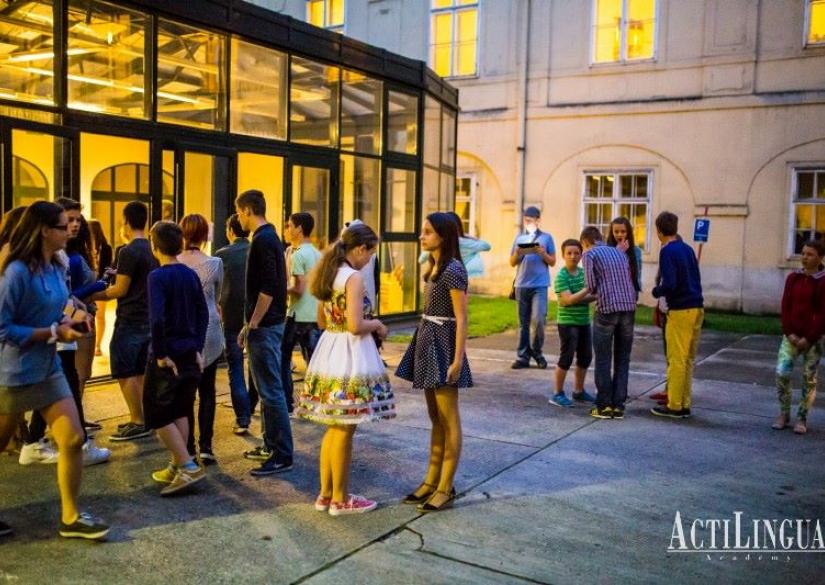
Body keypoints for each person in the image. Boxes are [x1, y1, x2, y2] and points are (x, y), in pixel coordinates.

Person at [0, 201, 109, 540]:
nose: (73, 229)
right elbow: (3, 328)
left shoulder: (56, 264)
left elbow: (58, 306)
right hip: (12, 374)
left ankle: (71, 516)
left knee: (73, 439)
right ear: (45, 231)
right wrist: (52, 332)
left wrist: (72, 319)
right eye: (64, 225)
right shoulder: (16, 271)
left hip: (48, 368)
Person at [296, 222, 393, 515]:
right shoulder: (353, 277)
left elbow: (322, 321)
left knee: (334, 427)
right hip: (351, 354)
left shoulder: (330, 272)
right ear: (360, 249)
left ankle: (326, 494)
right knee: (345, 429)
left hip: (329, 350)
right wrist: (377, 325)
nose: (369, 259)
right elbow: (355, 325)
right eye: (370, 253)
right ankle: (340, 498)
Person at [397, 212, 472, 513]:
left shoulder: (453, 269)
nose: (421, 236)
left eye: (427, 231)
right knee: (435, 417)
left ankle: (446, 487)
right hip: (428, 339)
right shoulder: (434, 266)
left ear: (443, 235)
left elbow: (462, 318)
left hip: (443, 344)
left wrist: (457, 359)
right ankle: (431, 480)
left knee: (448, 418)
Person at [143, 221, 209, 496]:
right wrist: (198, 348)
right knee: (181, 409)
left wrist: (160, 354)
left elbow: (157, 319)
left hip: (167, 354)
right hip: (189, 352)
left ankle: (186, 465)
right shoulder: (190, 275)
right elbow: (203, 313)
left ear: (154, 246)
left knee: (157, 413)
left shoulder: (157, 277)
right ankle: (179, 464)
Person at [235, 189, 293, 476]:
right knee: (265, 389)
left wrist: (253, 323)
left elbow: (268, 287)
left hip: (266, 325)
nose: (238, 219)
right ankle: (270, 445)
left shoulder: (263, 239)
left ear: (247, 210)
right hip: (269, 323)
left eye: (239, 213)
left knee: (271, 391)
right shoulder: (269, 237)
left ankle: (281, 454)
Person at [92, 201, 158, 441]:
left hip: (130, 319)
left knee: (124, 370)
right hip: (148, 317)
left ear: (126, 222)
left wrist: (91, 295)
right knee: (140, 370)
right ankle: (143, 418)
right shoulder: (153, 249)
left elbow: (120, 289)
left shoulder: (128, 251)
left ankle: (137, 420)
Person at [178, 214, 224, 463]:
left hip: (185, 330)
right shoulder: (215, 263)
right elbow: (217, 298)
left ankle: (188, 448)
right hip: (210, 330)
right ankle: (207, 446)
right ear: (205, 235)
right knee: (208, 390)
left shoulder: (174, 263)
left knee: (186, 393)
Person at [650, 212, 704, 420]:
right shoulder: (688, 249)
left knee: (676, 359)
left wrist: (657, 291)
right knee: (688, 359)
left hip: (680, 309)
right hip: (697, 306)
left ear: (659, 231)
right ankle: (684, 403)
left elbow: (670, 283)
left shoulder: (667, 251)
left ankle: (674, 405)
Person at [580, 226, 637, 420]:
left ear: (585, 243)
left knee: (603, 358)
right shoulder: (619, 253)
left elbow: (591, 285)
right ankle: (619, 405)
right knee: (623, 358)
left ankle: (604, 405)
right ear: (601, 238)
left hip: (607, 310)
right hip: (628, 308)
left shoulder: (589, 254)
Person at [773, 240, 825, 434]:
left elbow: (822, 314)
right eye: (803, 253)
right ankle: (784, 413)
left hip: (813, 340)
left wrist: (809, 338)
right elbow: (785, 306)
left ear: (820, 258)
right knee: (782, 372)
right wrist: (790, 333)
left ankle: (802, 417)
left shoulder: (823, 281)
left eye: (810, 254)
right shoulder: (793, 278)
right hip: (791, 337)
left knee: (809, 378)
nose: (804, 257)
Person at [215, 214, 258, 435]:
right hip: (254, 315)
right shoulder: (256, 250)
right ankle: (251, 404)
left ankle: (242, 418)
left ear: (231, 231)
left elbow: (217, 288)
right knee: (254, 366)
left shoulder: (222, 255)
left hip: (231, 316)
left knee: (235, 368)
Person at [282, 212, 322, 414]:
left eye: (289, 225)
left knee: (283, 358)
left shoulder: (298, 255)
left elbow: (298, 289)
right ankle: (317, 403)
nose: (287, 229)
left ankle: (287, 402)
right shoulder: (318, 254)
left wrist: (280, 289)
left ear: (299, 228)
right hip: (315, 314)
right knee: (314, 363)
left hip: (297, 314)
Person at [550, 239, 596, 408]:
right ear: (563, 255)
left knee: (585, 357)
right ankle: (557, 393)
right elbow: (568, 300)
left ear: (581, 255)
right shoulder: (561, 277)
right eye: (569, 253)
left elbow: (587, 297)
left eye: (576, 253)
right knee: (566, 358)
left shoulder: (584, 273)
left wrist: (579, 297)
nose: (573, 256)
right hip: (567, 323)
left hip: (583, 321)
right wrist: (586, 291)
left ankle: (579, 391)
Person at [509, 206, 556, 369]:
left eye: (531, 220)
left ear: (538, 220)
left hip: (540, 285)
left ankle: (537, 351)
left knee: (539, 319)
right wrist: (518, 253)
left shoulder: (547, 238)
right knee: (523, 324)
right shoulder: (519, 238)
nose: (528, 222)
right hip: (521, 284)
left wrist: (543, 253)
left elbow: (552, 261)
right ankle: (523, 356)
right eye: (526, 220)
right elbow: (512, 262)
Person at [419, 211, 491, 278]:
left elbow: (421, 260)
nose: (421, 237)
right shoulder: (466, 242)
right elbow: (486, 246)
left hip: (456, 275)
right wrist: (470, 237)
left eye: (428, 232)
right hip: (464, 274)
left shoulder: (453, 244)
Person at [88, 219, 113, 357]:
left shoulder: (106, 248)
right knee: (92, 315)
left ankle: (97, 345)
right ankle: (93, 344)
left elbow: (108, 268)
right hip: (88, 285)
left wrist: (104, 283)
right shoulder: (84, 246)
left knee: (100, 316)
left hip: (100, 285)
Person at [606, 217, 643, 294]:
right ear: (612, 233)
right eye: (616, 232)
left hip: (631, 291)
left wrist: (635, 292)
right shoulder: (606, 250)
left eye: (623, 231)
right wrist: (617, 253)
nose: (619, 235)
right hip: (612, 292)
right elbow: (606, 272)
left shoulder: (636, 251)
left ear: (628, 233)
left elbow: (638, 273)